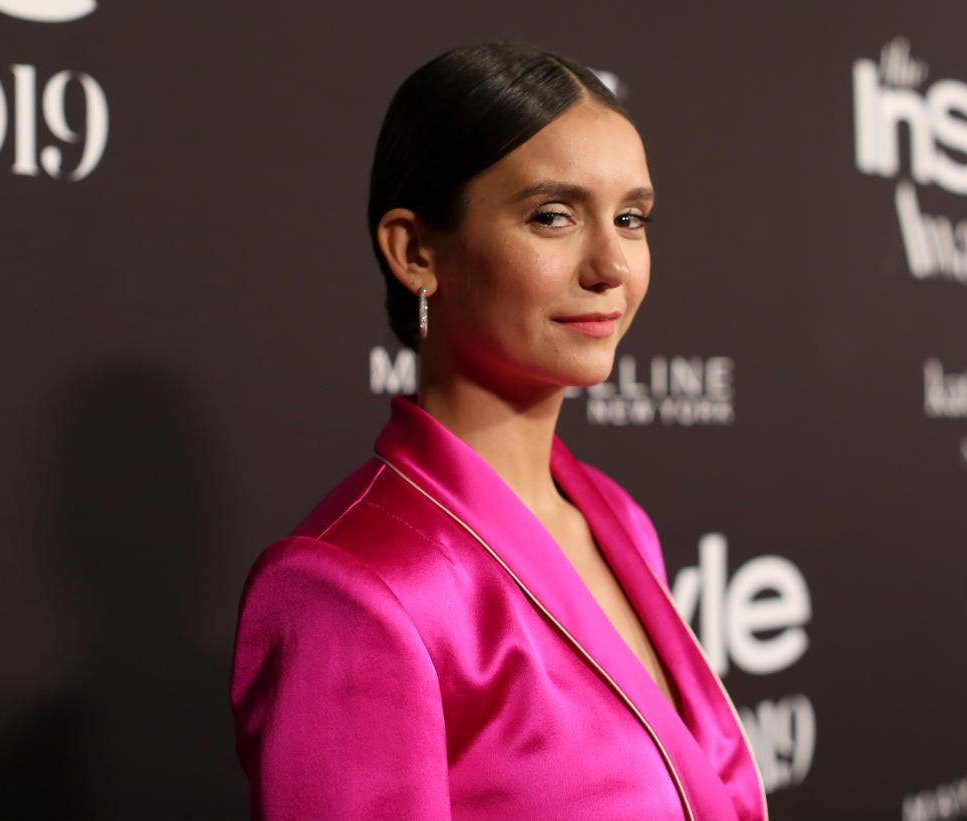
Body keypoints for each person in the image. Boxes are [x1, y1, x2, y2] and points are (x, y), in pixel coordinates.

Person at [231, 42, 766, 821]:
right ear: (416, 251)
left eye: (631, 218)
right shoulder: (350, 588)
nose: (611, 263)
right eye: (553, 216)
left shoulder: (616, 516)